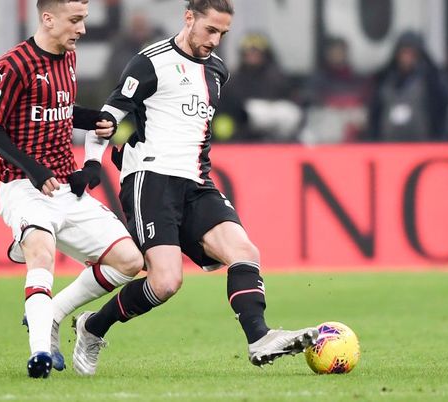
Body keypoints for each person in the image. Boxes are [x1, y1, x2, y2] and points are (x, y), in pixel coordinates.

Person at [71, 0, 319, 376]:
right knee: (166, 282)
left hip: (197, 182)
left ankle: (259, 337)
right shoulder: (149, 62)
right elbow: (108, 118)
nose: (216, 40)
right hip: (150, 180)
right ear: (189, 18)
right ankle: (92, 327)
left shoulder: (218, 71)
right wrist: (92, 162)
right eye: (210, 30)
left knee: (244, 250)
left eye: (223, 33)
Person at [0, 0, 144, 379]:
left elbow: (60, 110)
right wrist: (32, 169)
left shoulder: (67, 56)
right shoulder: (13, 65)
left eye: (83, 20)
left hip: (65, 186)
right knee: (41, 253)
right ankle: (39, 354)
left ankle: (52, 313)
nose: (82, 29)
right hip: (24, 186)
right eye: (75, 20)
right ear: (48, 18)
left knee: (131, 261)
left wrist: (93, 119)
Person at [214, 32, 302, 142]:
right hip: (242, 139)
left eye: (256, 53)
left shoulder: (279, 80)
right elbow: (225, 112)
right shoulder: (233, 82)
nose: (252, 56)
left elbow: (293, 112)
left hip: (277, 139)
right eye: (248, 53)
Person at [366, 30, 448, 142]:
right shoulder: (385, 80)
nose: (407, 58)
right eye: (404, 53)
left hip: (422, 145)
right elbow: (375, 115)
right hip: (388, 146)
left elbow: (442, 108)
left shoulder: (430, 80)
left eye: (411, 54)